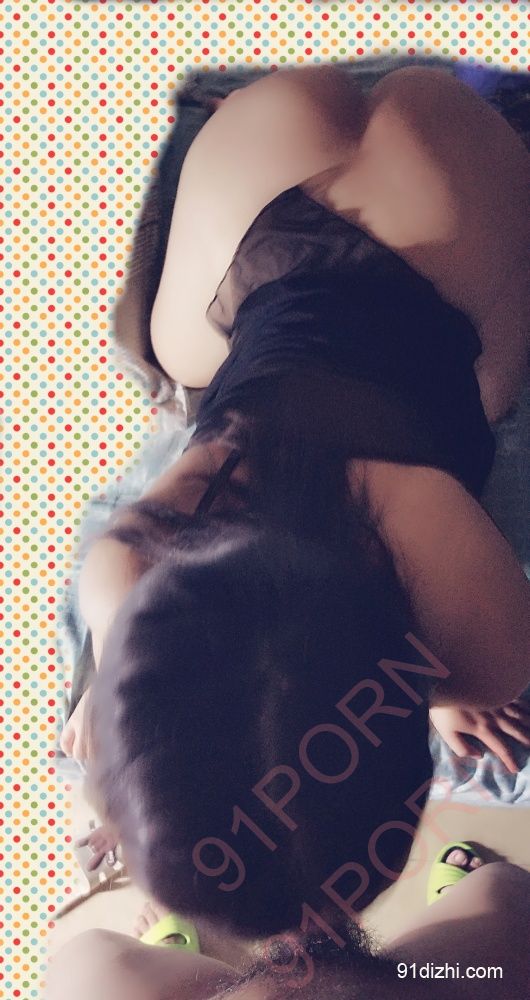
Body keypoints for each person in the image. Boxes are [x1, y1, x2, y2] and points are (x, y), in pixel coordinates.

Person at [61, 63, 530, 772]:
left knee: (486, 396)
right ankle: (243, 122)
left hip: (446, 187)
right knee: (182, 360)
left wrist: (436, 688)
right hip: (268, 164)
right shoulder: (120, 578)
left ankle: (473, 115)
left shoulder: (487, 651)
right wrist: (114, 685)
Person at [47, 845, 530, 999]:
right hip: (414, 984)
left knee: (88, 961)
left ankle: (177, 959)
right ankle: (455, 912)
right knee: (502, 896)